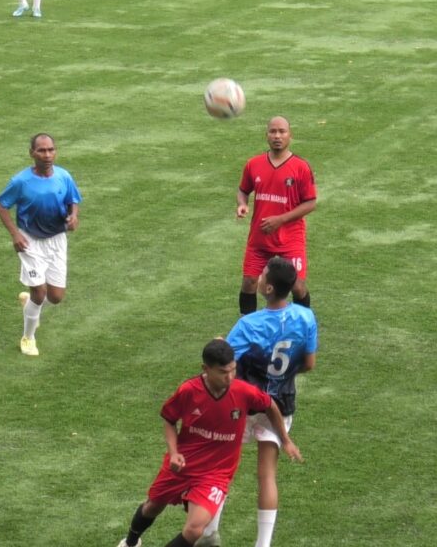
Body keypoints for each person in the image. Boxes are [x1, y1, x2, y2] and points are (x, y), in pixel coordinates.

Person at [116, 339, 302, 547]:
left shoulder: (243, 391)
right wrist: (174, 452)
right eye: (223, 372)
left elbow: (269, 405)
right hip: (184, 464)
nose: (230, 377)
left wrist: (285, 440)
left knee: (195, 529)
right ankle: (131, 542)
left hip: (215, 473)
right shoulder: (188, 391)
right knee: (153, 506)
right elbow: (169, 419)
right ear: (206, 369)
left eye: (233, 370)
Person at [198, 256, 318, 547]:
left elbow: (226, 363)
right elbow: (309, 364)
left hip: (245, 403)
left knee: (222, 466)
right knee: (267, 476)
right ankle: (262, 544)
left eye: (263, 274)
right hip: (282, 403)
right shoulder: (306, 318)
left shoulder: (249, 324)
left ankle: (209, 532)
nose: (259, 276)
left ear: (267, 288)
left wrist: (219, 341)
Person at [0, 133, 81, 356]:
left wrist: (73, 217)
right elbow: (2, 207)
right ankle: (28, 338)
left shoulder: (63, 176)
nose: (47, 155)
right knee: (39, 292)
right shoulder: (20, 181)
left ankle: (30, 304)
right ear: (32, 153)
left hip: (56, 241)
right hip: (30, 241)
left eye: (51, 149)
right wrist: (15, 234)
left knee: (56, 297)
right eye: (42, 150)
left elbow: (73, 200)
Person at [236, 116, 317, 316]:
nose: (277, 136)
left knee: (297, 286)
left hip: (290, 238)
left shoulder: (301, 167)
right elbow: (243, 190)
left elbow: (310, 202)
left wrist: (280, 220)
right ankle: (249, 328)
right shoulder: (253, 164)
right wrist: (242, 204)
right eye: (273, 132)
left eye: (282, 131)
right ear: (267, 136)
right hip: (259, 238)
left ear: (290, 135)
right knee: (249, 282)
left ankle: (302, 324)